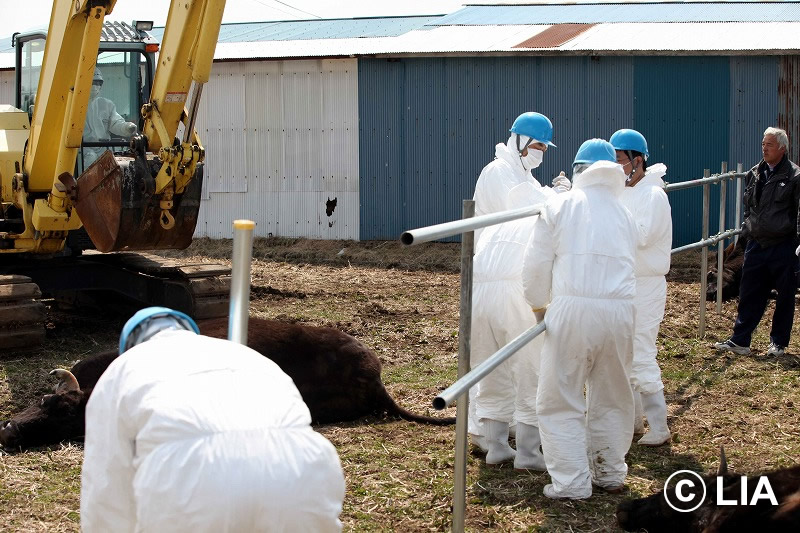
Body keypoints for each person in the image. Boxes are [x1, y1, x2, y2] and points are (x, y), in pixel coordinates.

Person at [80, 307, 346, 532]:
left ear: (129, 345)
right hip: (302, 471)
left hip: (191, 482)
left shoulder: (122, 370)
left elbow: (106, 483)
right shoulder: (246, 355)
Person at [522, 139, 637, 499]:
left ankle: (572, 482)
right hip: (621, 312)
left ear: (578, 171)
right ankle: (610, 473)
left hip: (573, 309)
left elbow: (536, 265)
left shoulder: (561, 204)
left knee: (560, 397)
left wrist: (538, 305)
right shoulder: (625, 213)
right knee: (614, 394)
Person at [468, 111, 568, 453]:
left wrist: (554, 193)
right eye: (537, 144)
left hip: (499, 273)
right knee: (515, 362)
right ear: (520, 141)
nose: (541, 152)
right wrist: (563, 198)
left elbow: (535, 194)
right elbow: (528, 204)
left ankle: (498, 438)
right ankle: (501, 438)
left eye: (544, 146)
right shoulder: (498, 172)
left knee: (500, 360)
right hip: (497, 271)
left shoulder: (519, 172)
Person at [470, 181, 550, 467]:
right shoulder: (540, 219)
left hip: (479, 296)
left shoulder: (498, 222)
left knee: (492, 370)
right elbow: (539, 267)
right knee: (531, 371)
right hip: (516, 293)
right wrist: (542, 306)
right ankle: (529, 453)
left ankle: (496, 447)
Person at [714, 127, 800, 357]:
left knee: (784, 296)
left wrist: (798, 242)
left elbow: (798, 211)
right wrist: (747, 231)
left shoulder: (794, 176)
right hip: (756, 245)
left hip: (784, 244)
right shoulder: (754, 174)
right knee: (749, 292)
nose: (764, 148)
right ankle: (740, 340)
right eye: (763, 144)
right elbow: (748, 208)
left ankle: (778, 343)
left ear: (782, 148)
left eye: (769, 144)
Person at [612, 129, 673, 447]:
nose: (616, 167)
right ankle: (635, 421)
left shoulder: (653, 195)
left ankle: (660, 426)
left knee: (642, 353)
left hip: (646, 285)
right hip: (626, 282)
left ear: (638, 161)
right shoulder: (625, 192)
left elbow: (642, 235)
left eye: (620, 161)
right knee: (626, 353)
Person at [81, 67, 138, 168]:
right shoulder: (75, 106)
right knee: (90, 159)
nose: (95, 86)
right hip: (83, 149)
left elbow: (115, 123)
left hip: (103, 147)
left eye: (98, 83)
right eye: (93, 82)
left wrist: (127, 127)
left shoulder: (106, 104)